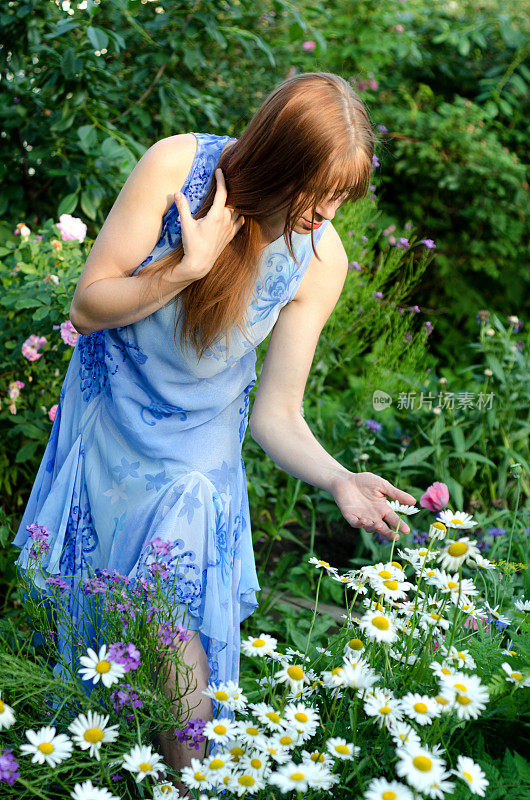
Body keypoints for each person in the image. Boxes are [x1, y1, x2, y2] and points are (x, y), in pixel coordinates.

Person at [11, 71, 416, 778]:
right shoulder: (177, 169)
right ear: (273, 160)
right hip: (109, 433)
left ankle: (196, 783)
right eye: (312, 189)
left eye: (339, 197)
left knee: (169, 621)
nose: (322, 213)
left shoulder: (320, 261)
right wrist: (185, 266)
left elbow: (277, 414)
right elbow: (87, 307)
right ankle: (129, 772)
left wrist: (339, 478)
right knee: (106, 640)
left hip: (198, 462)